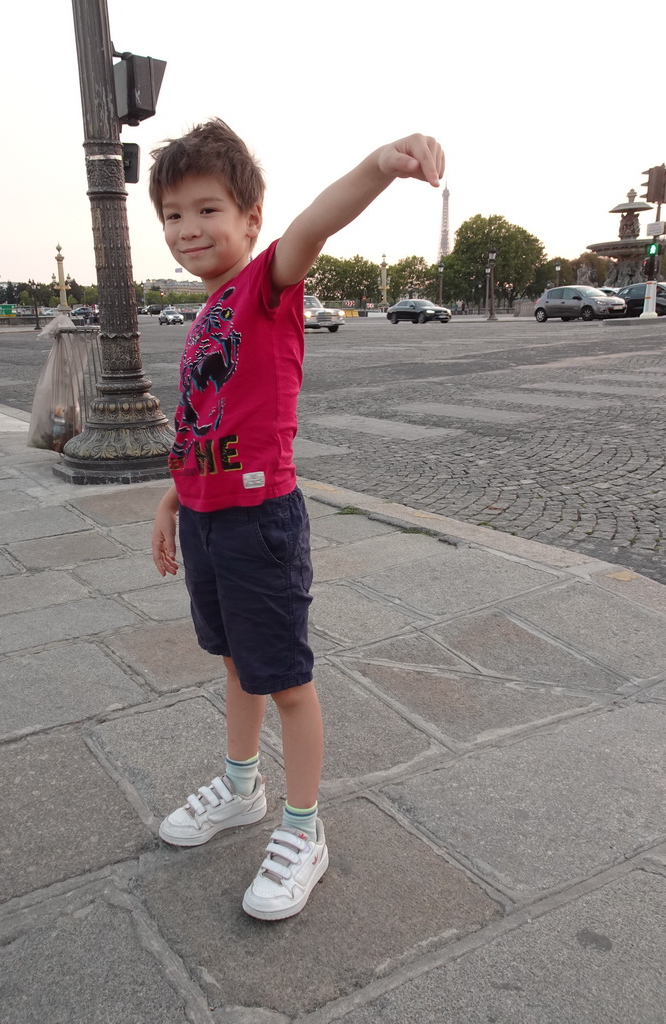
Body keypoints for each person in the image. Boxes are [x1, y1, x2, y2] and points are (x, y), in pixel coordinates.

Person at [149, 119, 444, 920]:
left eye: (207, 210)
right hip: (209, 518)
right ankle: (243, 789)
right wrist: (176, 495)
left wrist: (381, 165)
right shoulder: (207, 315)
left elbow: (317, 220)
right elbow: (203, 417)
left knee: (285, 681)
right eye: (172, 215)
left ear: (249, 220)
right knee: (238, 664)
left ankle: (305, 829)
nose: (188, 230)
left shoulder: (264, 288)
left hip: (260, 522)